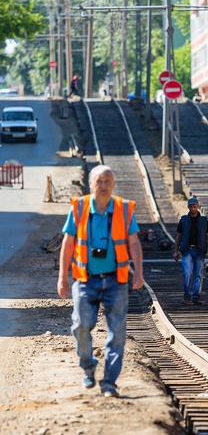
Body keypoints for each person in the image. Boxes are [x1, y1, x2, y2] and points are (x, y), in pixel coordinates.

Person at [57, 165, 144, 398]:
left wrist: (139, 272)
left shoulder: (124, 209)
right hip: (85, 280)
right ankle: (88, 366)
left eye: (107, 181)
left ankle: (109, 383)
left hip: (116, 281)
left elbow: (134, 242)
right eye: (99, 181)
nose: (103, 186)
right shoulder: (80, 208)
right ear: (90, 184)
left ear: (113, 184)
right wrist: (62, 278)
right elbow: (67, 243)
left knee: (117, 334)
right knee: (80, 326)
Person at [173, 197, 208, 305]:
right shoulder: (183, 220)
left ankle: (196, 296)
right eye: (191, 207)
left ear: (198, 207)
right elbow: (179, 236)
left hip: (200, 251)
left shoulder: (204, 221)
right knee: (187, 273)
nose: (193, 209)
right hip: (187, 250)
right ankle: (187, 296)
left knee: (198, 274)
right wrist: (176, 251)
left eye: (194, 206)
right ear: (188, 207)